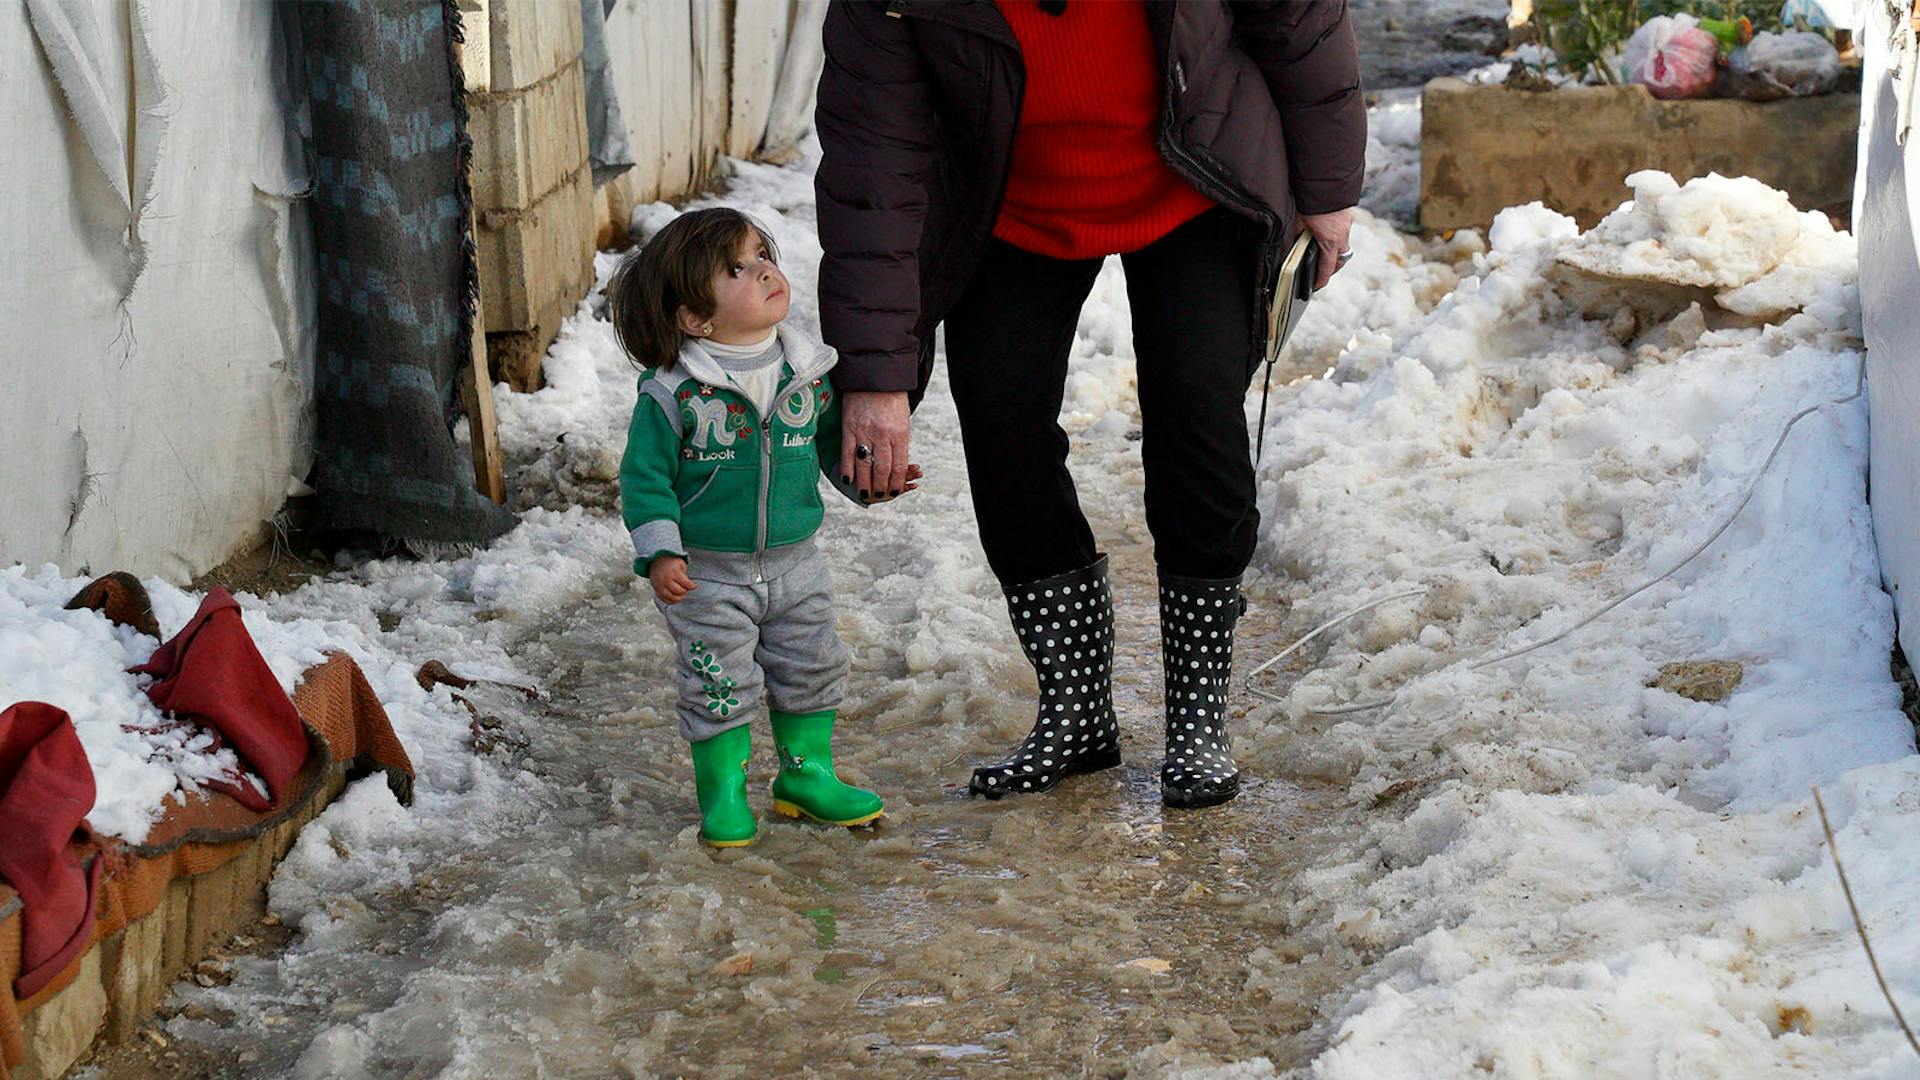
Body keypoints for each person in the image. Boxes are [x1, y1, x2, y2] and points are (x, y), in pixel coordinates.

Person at [815, 1, 1365, 809]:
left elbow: (1300, 21)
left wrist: (1327, 191)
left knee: (1196, 417)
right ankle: (1075, 712)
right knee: (1002, 425)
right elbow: (873, 153)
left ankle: (1198, 718)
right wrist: (874, 374)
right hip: (1012, 200)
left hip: (1195, 176)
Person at [610, 207, 915, 846]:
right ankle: (723, 794)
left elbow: (829, 446)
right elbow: (644, 482)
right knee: (718, 678)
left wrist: (868, 479)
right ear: (695, 318)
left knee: (811, 664)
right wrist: (661, 553)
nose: (765, 270)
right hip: (706, 573)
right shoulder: (674, 394)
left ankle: (806, 776)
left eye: (762, 254)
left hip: (795, 562)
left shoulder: (807, 372)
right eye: (739, 269)